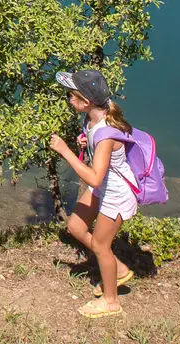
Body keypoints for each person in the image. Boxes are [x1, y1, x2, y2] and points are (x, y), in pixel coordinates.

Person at [47, 69, 137, 321]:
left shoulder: (105, 132)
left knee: (99, 245)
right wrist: (85, 145)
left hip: (116, 194)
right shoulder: (92, 122)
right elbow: (99, 166)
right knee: (75, 226)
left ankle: (111, 302)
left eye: (70, 96)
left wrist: (65, 151)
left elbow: (95, 177)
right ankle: (117, 269)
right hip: (104, 187)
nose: (67, 99)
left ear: (85, 102)